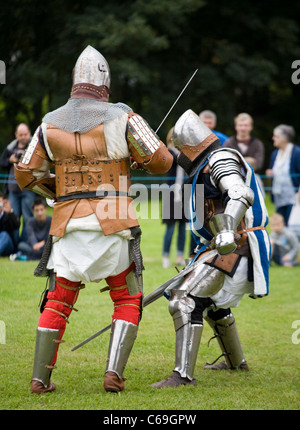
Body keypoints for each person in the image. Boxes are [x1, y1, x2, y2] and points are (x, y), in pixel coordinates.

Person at [14, 45, 173, 394]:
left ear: (74, 81)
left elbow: (25, 173)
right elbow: (162, 161)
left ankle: (40, 380)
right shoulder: (124, 117)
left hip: (67, 222)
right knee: (128, 298)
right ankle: (112, 374)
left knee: (58, 300)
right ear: (105, 81)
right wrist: (137, 160)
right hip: (113, 219)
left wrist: (58, 190)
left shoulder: (48, 122)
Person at [152, 109, 270, 388]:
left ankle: (182, 375)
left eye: (181, 149)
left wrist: (227, 232)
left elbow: (240, 193)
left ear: (192, 145)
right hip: (224, 246)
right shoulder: (208, 161)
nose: (179, 154)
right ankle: (235, 362)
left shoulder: (221, 157)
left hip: (237, 246)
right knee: (212, 302)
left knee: (184, 299)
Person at [0, 123, 36, 242]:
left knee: (28, 218)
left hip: (28, 188)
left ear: (29, 133)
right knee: (12, 217)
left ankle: (25, 244)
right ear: (16, 135)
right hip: (13, 190)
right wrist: (10, 160)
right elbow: (2, 162)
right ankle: (13, 244)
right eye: (20, 135)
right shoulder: (11, 148)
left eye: (25, 134)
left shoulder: (35, 146)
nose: (23, 137)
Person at [162, 127, 187, 268]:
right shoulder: (168, 153)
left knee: (183, 227)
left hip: (184, 192)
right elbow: (176, 161)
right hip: (171, 193)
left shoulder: (185, 153)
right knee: (170, 228)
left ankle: (179, 256)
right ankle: (165, 256)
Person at [265, 124, 300, 225]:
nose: (273, 138)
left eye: (276, 136)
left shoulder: (297, 152)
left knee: (291, 224)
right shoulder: (275, 153)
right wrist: (270, 174)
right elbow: (272, 173)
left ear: (284, 138)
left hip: (294, 196)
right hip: (278, 196)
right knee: (280, 225)